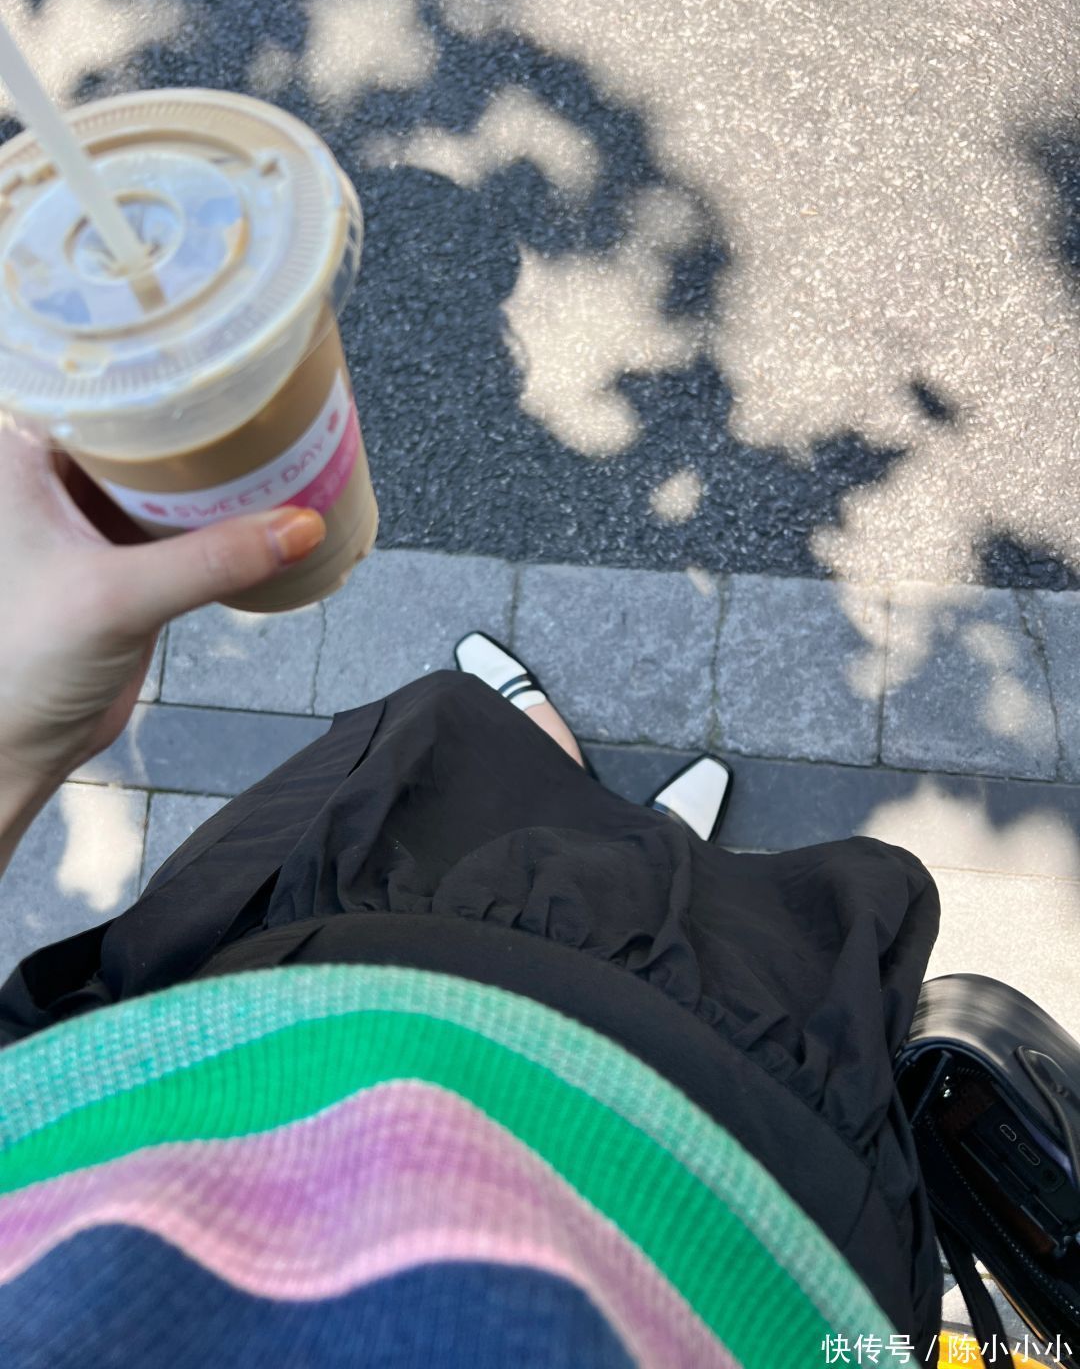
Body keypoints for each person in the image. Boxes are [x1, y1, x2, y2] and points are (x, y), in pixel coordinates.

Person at [0, 421, 943, 1368]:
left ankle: (586, 796)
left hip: (278, 1006)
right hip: (738, 1164)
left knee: (465, 787)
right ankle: (636, 835)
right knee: (616, 874)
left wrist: (18, 745)